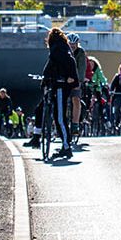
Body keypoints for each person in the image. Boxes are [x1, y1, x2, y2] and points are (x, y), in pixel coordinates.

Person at [41, 27, 79, 159]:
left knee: (60, 117)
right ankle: (65, 144)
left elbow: (51, 66)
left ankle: (66, 146)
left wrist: (46, 79)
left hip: (60, 86)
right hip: (63, 84)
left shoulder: (57, 49)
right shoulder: (64, 47)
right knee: (59, 115)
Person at [67, 33, 87, 128]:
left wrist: (78, 81)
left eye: (74, 44)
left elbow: (81, 68)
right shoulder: (63, 52)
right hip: (65, 79)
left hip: (76, 79)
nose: (72, 46)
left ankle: (75, 124)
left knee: (76, 99)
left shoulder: (81, 52)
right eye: (70, 44)